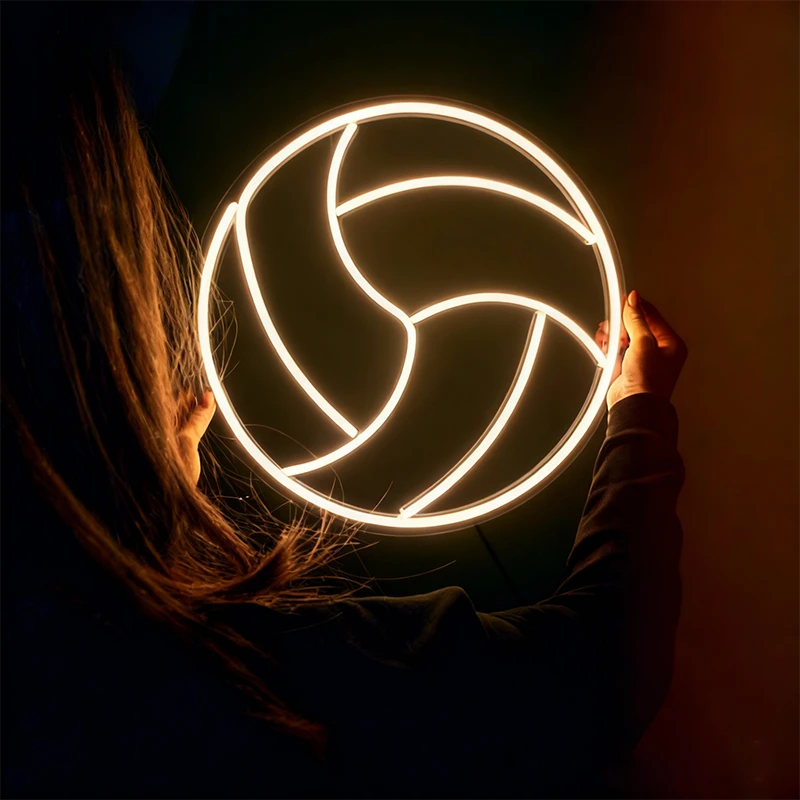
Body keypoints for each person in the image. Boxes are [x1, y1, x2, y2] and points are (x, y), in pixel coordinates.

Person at [1, 5, 688, 797]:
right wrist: (640, 412)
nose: (189, 397)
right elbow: (596, 678)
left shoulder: (64, 669)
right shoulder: (245, 662)